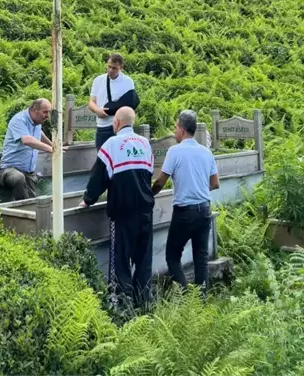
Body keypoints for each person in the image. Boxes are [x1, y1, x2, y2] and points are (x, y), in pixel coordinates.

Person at [79, 106, 154, 308]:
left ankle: (123, 305)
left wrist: (87, 199)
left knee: (121, 260)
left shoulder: (111, 144)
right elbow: (148, 175)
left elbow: (98, 178)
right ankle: (145, 303)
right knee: (143, 259)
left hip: (122, 212)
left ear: (117, 122)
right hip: (146, 210)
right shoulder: (145, 144)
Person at [152, 110, 219, 294]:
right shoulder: (206, 152)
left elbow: (160, 181)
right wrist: (199, 190)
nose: (174, 131)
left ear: (182, 129)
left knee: (172, 256)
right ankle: (200, 302)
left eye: (175, 127)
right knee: (201, 258)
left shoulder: (175, 151)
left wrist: (149, 194)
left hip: (184, 212)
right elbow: (215, 183)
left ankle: (185, 297)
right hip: (204, 209)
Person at [0, 98, 53, 201]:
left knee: (32, 203)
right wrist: (51, 149)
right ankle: (21, 207)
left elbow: (40, 133)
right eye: (45, 112)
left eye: (48, 112)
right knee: (18, 178)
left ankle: (27, 208)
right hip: (9, 169)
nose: (47, 116)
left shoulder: (37, 122)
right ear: (34, 109)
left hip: (29, 173)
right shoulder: (19, 120)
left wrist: (53, 145)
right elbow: (27, 140)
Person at [88, 53, 139, 150]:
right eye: (109, 67)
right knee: (102, 158)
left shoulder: (128, 81)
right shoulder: (98, 80)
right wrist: (97, 110)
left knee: (119, 159)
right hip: (102, 126)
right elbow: (91, 102)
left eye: (114, 68)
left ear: (121, 67)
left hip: (120, 127)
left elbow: (129, 105)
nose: (111, 70)